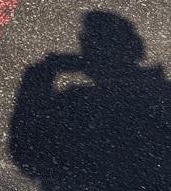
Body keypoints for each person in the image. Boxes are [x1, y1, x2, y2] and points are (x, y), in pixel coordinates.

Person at [9, 11, 170, 191]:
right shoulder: (163, 95)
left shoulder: (76, 103)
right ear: (136, 49)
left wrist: (42, 72)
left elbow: (25, 152)